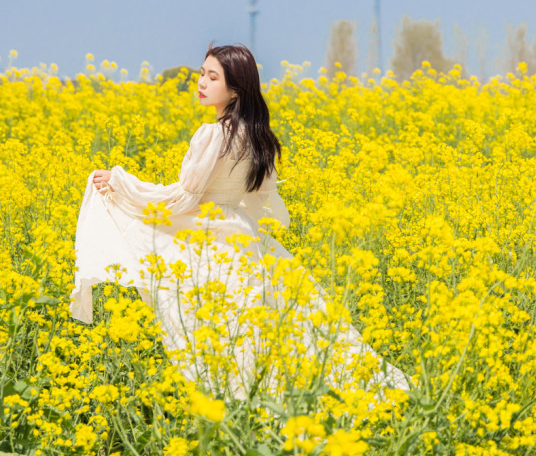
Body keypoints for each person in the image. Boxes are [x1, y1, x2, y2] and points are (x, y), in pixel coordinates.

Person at [72, 43, 409, 398]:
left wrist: (123, 185)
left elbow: (184, 198)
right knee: (262, 327)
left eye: (212, 77)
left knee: (216, 333)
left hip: (207, 236)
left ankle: (238, 406)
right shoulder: (257, 136)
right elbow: (263, 201)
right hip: (242, 235)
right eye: (202, 74)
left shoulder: (213, 135)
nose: (202, 82)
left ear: (235, 90)